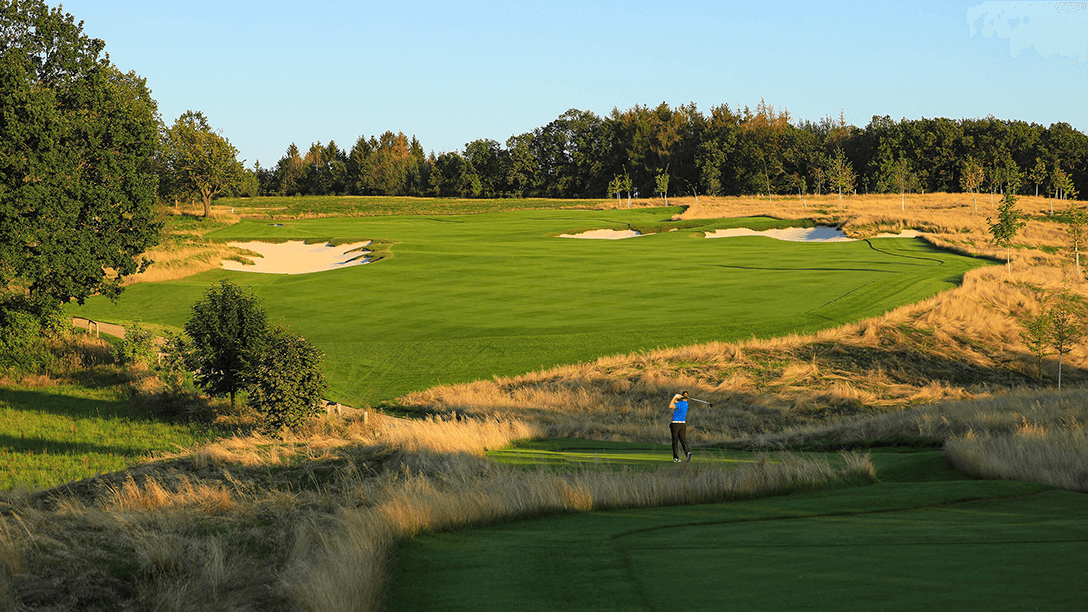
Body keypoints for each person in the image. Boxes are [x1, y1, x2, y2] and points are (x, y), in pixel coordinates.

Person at [668, 391, 693, 462]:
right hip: (683, 424)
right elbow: (675, 403)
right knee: (683, 440)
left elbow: (671, 406)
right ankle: (688, 452)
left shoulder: (680, 403)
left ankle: (676, 458)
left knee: (675, 441)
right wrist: (676, 398)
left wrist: (674, 397)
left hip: (675, 424)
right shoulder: (686, 404)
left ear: (682, 397)